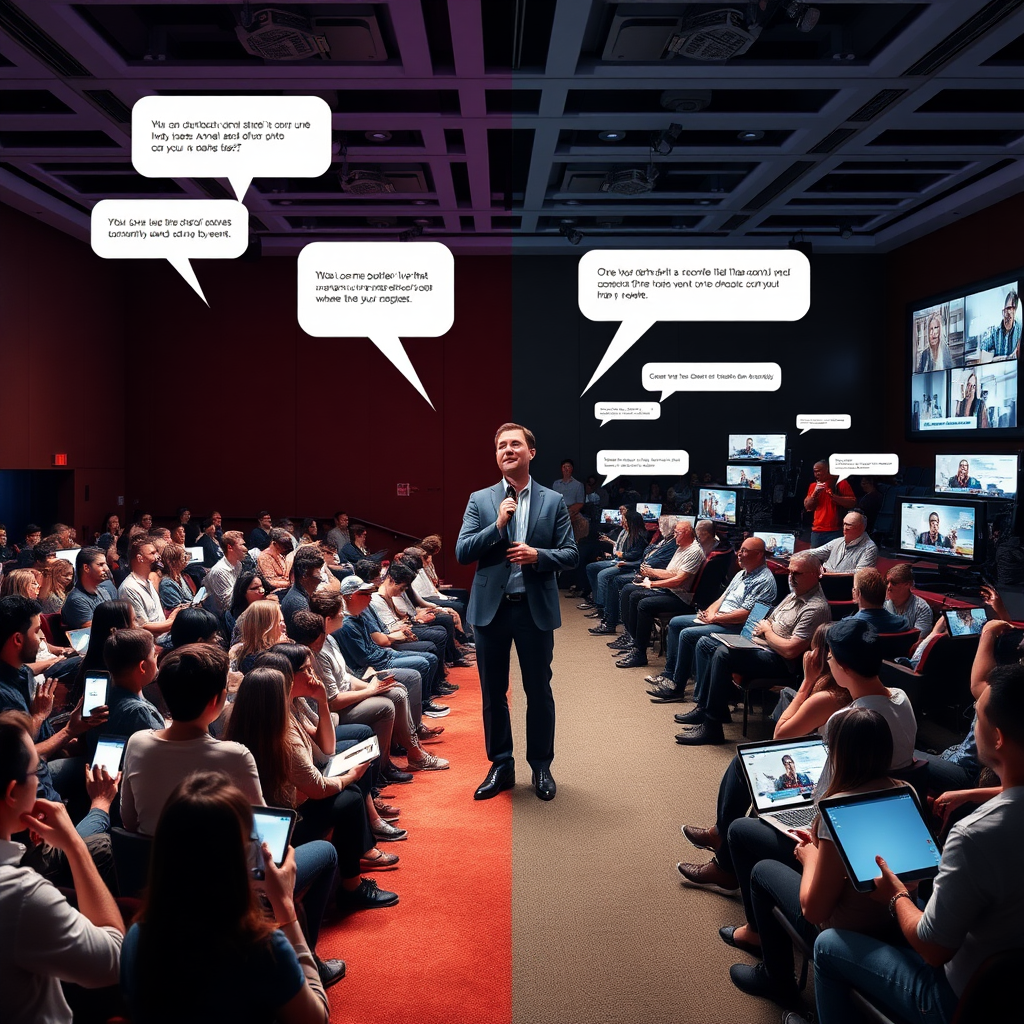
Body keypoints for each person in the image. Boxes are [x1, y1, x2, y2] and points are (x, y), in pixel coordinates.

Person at [811, 661, 1024, 1024]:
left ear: (998, 738)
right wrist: (971, 793)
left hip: (956, 999)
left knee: (827, 946)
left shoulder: (975, 835)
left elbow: (933, 949)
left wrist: (895, 896)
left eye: (977, 717)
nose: (973, 725)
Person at [726, 708, 904, 1009]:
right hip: (894, 918)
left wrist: (810, 858)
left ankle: (776, 979)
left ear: (836, 755)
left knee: (762, 871)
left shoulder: (835, 811)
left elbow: (815, 911)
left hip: (843, 931)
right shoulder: (903, 792)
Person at [119, 771, 330, 1024]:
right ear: (239, 858)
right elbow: (316, 1019)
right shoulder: (263, 946)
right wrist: (285, 906)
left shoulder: (136, 936)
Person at [455, 422, 578, 801]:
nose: (508, 450)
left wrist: (538, 556)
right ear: (497, 455)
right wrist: (497, 525)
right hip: (490, 612)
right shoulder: (481, 499)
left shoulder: (552, 501)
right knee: (494, 692)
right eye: (501, 446)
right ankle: (501, 765)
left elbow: (572, 554)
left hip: (533, 610)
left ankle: (541, 766)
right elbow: (463, 552)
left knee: (538, 691)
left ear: (531, 452)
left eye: (515, 445)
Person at [0, 711, 124, 1024]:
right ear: (13, 793)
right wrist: (74, 846)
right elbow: (115, 960)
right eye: (36, 773)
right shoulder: (22, 895)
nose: (40, 780)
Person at [675, 551, 831, 746]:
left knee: (723, 655)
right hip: (759, 646)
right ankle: (706, 707)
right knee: (707, 643)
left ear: (814, 574)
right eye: (790, 572)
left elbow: (790, 650)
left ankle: (712, 726)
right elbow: (765, 620)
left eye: (796, 573)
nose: (791, 577)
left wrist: (767, 631)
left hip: (780, 661)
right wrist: (763, 630)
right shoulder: (793, 595)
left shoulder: (815, 607)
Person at [646, 536, 777, 702]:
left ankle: (678, 688)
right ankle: (669, 675)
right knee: (676, 623)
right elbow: (723, 598)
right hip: (720, 619)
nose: (739, 554)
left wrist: (715, 619)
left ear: (759, 555)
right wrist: (709, 613)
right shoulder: (742, 574)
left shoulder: (765, 580)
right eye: (739, 549)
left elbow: (747, 614)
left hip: (736, 627)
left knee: (687, 634)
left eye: (744, 551)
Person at [804, 462, 857, 544]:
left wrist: (834, 497)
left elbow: (852, 502)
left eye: (819, 471)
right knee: (815, 556)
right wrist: (815, 493)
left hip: (836, 530)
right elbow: (808, 507)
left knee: (835, 556)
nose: (816, 474)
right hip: (817, 531)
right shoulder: (813, 486)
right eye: (815, 471)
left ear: (827, 470)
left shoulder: (841, 483)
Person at [883, 563, 934, 635]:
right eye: (887, 582)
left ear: (908, 584)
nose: (888, 587)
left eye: (894, 583)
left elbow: (920, 639)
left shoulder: (922, 608)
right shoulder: (880, 602)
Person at [981, 289, 1020, 361]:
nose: (1007, 314)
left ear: (1015, 311)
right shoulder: (995, 332)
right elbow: (983, 347)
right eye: (1006, 309)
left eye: (1011, 309)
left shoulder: (1019, 331)